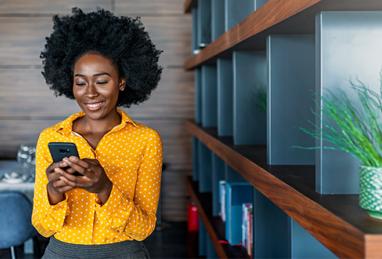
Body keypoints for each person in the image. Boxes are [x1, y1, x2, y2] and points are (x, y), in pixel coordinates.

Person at [31, 7, 163, 259]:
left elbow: (143, 229)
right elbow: (42, 226)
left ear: (122, 81)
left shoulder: (146, 140)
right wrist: (54, 192)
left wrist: (104, 188)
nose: (90, 92)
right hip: (61, 253)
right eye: (80, 82)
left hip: (123, 253)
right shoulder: (52, 137)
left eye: (102, 81)